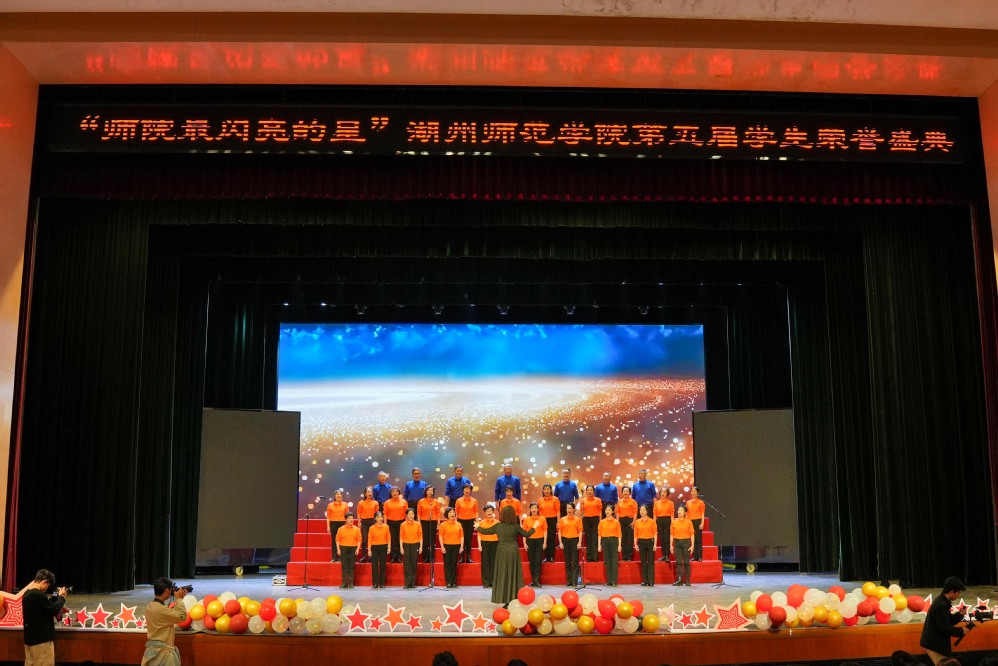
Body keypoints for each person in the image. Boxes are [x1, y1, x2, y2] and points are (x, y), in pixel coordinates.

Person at [474, 505, 535, 605]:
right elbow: (527, 534)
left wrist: (478, 527)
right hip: (513, 551)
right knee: (513, 572)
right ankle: (514, 596)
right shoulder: (515, 526)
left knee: (502, 572)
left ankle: (503, 597)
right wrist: (535, 527)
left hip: (501, 551)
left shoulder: (498, 526)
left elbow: (486, 531)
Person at [22, 569, 67, 666]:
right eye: (48, 585)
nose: (47, 589)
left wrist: (56, 594)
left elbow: (46, 606)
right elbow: (53, 610)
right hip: (41, 642)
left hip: (30, 640)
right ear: (44, 582)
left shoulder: (27, 594)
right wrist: (62, 597)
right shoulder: (38, 595)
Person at [919, 576, 968, 664]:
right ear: (952, 592)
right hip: (934, 644)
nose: (958, 595)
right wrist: (961, 631)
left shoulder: (942, 601)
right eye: (958, 592)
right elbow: (945, 628)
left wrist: (959, 615)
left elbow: (946, 621)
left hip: (934, 642)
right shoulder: (941, 605)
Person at [140, 577, 187, 666]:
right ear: (166, 590)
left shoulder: (150, 606)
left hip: (152, 653)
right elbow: (182, 616)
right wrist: (179, 599)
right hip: (163, 655)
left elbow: (168, 614)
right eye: (170, 589)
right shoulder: (161, 609)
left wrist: (179, 599)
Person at [522, 502, 547, 587]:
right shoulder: (527, 519)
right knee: (532, 561)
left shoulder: (542, 519)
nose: (533, 509)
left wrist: (544, 542)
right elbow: (524, 532)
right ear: (530, 509)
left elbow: (545, 531)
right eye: (532, 508)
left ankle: (537, 580)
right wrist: (524, 543)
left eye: (535, 508)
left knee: (538, 561)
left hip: (540, 541)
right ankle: (533, 580)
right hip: (530, 541)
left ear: (537, 509)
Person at [438, 508, 465, 588]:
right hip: (447, 546)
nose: (452, 514)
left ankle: (454, 582)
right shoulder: (443, 525)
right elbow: (440, 536)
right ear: (447, 514)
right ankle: (449, 582)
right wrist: (442, 547)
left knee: (454, 564)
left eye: (453, 512)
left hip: (456, 545)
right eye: (450, 512)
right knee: (447, 564)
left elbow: (461, 536)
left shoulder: (459, 524)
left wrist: (461, 546)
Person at [557, 502, 583, 586]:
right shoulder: (562, 519)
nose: (569, 510)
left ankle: (574, 581)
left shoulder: (577, 519)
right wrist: (560, 542)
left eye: (570, 508)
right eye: (567, 508)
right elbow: (560, 532)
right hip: (565, 540)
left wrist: (579, 542)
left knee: (575, 562)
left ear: (574, 509)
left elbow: (580, 531)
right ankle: (569, 581)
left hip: (575, 540)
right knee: (567, 562)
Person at [335, 512, 362, 588]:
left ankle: (351, 583)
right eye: (349, 518)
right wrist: (338, 549)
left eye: (352, 518)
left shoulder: (357, 529)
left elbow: (359, 540)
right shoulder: (341, 529)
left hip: (353, 548)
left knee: (351, 566)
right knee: (344, 566)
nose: (351, 520)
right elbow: (337, 540)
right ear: (346, 519)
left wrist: (357, 549)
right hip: (343, 548)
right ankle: (344, 583)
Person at [598, 504, 622, 586]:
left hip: (613, 540)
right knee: (607, 561)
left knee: (614, 561)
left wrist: (619, 545)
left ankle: (614, 581)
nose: (607, 511)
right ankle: (609, 581)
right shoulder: (601, 522)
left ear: (612, 511)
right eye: (606, 510)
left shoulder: (616, 522)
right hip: (605, 541)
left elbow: (619, 535)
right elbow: (599, 535)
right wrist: (599, 545)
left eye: (609, 510)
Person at [455, 484, 480, 563]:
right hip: (461, 521)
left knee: (468, 539)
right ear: (463, 490)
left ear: (471, 491)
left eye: (469, 489)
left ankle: (468, 557)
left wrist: (477, 522)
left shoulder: (474, 500)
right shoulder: (459, 500)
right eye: (465, 489)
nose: (467, 490)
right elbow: (456, 512)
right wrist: (455, 522)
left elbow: (476, 512)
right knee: (462, 539)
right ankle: (462, 557)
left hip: (470, 521)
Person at [383, 486, 408, 563]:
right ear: (390, 493)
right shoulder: (387, 502)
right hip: (391, 523)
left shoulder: (404, 502)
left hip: (401, 522)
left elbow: (407, 514)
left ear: (399, 493)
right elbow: (385, 514)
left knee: (400, 539)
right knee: (393, 540)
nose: (395, 493)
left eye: (396, 491)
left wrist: (406, 523)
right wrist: (385, 524)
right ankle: (393, 557)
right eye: (393, 491)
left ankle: (399, 557)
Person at [634, 504, 657, 586]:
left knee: (650, 562)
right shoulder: (637, 522)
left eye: (643, 510)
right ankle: (645, 580)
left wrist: (655, 544)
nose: (641, 511)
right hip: (641, 542)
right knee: (643, 562)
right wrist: (635, 544)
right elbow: (635, 534)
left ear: (647, 511)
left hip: (650, 542)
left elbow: (655, 534)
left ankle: (651, 581)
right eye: (640, 510)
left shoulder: (652, 521)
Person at [670, 505, 694, 586]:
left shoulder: (689, 522)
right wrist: (671, 545)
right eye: (678, 510)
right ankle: (679, 579)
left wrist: (692, 545)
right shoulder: (674, 522)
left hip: (686, 542)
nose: (679, 512)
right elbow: (672, 535)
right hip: (677, 543)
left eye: (681, 510)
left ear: (685, 512)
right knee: (678, 562)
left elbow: (692, 534)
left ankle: (687, 580)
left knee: (687, 562)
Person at [400, 508, 423, 588]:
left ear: (414, 515)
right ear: (406, 515)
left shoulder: (418, 524)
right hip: (406, 544)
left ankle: (413, 583)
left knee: (414, 563)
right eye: (409, 514)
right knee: (407, 564)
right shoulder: (403, 524)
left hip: (415, 544)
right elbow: (401, 537)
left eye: (412, 514)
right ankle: (407, 582)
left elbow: (420, 536)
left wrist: (421, 547)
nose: (411, 515)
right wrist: (401, 547)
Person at [418, 486, 442, 563]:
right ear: (426, 491)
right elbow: (419, 513)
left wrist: (438, 523)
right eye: (429, 490)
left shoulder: (435, 501)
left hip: (433, 521)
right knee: (425, 540)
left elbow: (438, 513)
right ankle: (425, 557)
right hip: (424, 522)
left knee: (432, 540)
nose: (430, 492)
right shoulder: (421, 501)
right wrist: (419, 523)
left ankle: (432, 557)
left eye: (432, 490)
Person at [537, 484, 560, 562]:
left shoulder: (555, 499)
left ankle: (551, 556)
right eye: (545, 489)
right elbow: (538, 512)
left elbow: (558, 511)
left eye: (548, 489)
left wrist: (558, 522)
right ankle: (546, 557)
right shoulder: (540, 500)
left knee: (551, 538)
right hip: (543, 520)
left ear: (551, 490)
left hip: (552, 520)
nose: (546, 491)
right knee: (544, 538)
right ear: (543, 491)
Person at [478, 504, 500, 588]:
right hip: (485, 543)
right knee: (485, 563)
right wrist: (479, 545)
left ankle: (493, 582)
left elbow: (500, 534)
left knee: (494, 563)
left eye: (491, 510)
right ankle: (486, 582)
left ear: (493, 512)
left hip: (495, 543)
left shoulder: (497, 522)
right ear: (485, 512)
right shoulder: (481, 522)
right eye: (487, 511)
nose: (489, 512)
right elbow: (479, 535)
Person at [356, 486, 379, 563]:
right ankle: (364, 557)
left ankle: (372, 556)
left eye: (371, 492)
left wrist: (377, 522)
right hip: (364, 522)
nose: (370, 493)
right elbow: (358, 513)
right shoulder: (361, 503)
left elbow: (377, 514)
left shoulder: (375, 503)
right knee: (364, 540)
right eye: (368, 492)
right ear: (365, 494)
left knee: (372, 539)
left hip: (373, 521)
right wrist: (359, 522)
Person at [367, 511, 390, 588]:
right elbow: (369, 539)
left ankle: (382, 583)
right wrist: (369, 550)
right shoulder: (371, 528)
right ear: (375, 518)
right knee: (374, 565)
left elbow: (388, 537)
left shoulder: (386, 527)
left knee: (383, 565)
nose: (380, 518)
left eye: (381, 517)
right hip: (374, 547)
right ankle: (375, 583)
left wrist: (389, 547)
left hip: (383, 546)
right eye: (378, 517)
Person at [580, 484, 602, 562]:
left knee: (594, 539)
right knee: (588, 539)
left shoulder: (598, 500)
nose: (589, 491)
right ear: (586, 491)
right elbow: (581, 513)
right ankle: (589, 557)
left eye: (591, 490)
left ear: (594, 491)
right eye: (588, 490)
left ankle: (595, 557)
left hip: (595, 520)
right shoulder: (583, 500)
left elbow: (600, 512)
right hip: (586, 520)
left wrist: (600, 521)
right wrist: (581, 523)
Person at [325, 490, 348, 562]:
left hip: (342, 523)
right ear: (334, 496)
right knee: (334, 540)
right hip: (333, 523)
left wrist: (347, 525)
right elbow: (328, 517)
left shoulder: (345, 504)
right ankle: (334, 557)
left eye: (340, 494)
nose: (339, 495)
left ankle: (341, 557)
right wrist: (328, 526)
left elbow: (347, 517)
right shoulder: (330, 505)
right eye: (337, 494)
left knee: (342, 540)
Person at [617, 485, 638, 561]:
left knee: (629, 539)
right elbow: (618, 512)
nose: (625, 492)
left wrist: (634, 521)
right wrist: (617, 522)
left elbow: (635, 512)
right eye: (624, 491)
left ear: (630, 493)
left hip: (630, 520)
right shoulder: (619, 501)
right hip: (621, 521)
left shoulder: (633, 502)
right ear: (622, 492)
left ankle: (629, 557)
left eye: (627, 491)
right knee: (623, 539)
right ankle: (624, 556)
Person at [654, 488, 675, 561]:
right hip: (659, 521)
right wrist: (654, 524)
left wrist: (672, 524)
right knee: (662, 539)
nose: (663, 493)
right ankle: (663, 555)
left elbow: (672, 515)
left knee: (667, 538)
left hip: (667, 520)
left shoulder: (670, 503)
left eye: (665, 492)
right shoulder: (656, 503)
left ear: (667, 494)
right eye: (662, 492)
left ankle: (667, 556)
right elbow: (654, 514)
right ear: (660, 493)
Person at [686, 486, 706, 561]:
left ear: (698, 493)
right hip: (690, 522)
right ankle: (694, 556)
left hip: (698, 521)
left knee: (698, 540)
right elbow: (687, 513)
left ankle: (700, 556)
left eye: (694, 491)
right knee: (692, 540)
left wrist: (702, 523)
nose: (693, 493)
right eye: (692, 491)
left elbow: (702, 513)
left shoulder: (701, 502)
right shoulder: (688, 502)